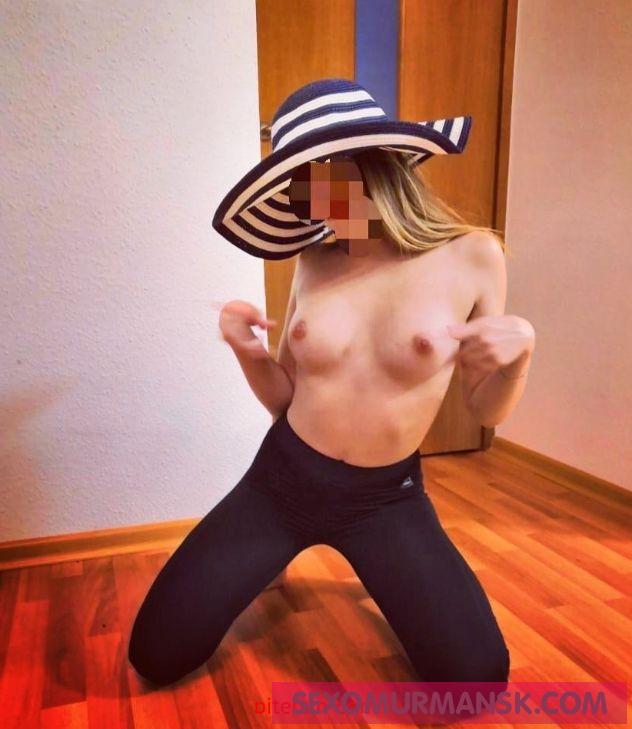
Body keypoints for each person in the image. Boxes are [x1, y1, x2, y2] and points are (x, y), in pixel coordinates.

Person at [128, 79, 535, 694]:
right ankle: (265, 554)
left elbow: (485, 409)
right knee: (155, 655)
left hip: (384, 498)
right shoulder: (314, 260)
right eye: (298, 183)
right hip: (282, 481)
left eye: (317, 177)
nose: (308, 200)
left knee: (475, 681)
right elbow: (285, 397)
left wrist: (518, 358)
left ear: (374, 164)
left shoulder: (474, 256)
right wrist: (245, 349)